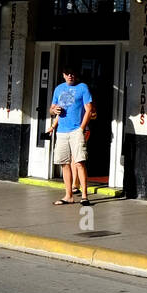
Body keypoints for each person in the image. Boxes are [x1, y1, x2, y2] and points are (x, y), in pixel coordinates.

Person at [48, 65, 94, 205]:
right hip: (61, 131)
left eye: (72, 74)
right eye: (67, 74)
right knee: (64, 163)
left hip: (76, 131)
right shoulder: (59, 89)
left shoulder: (82, 87)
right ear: (63, 75)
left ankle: (84, 195)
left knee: (79, 162)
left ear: (76, 75)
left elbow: (89, 109)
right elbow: (51, 109)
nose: (70, 76)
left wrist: (81, 128)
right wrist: (54, 110)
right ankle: (68, 196)